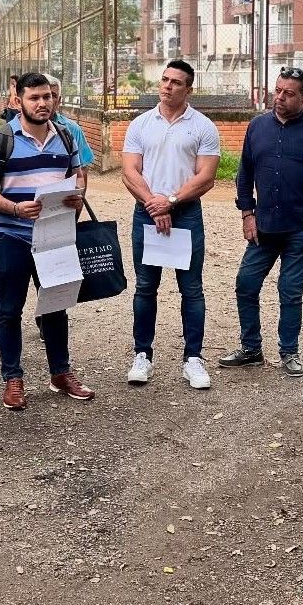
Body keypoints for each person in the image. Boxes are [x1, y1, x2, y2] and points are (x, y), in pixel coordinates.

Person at [0, 72, 93, 411]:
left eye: (47, 97)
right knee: (9, 309)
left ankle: (60, 373)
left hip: (54, 236)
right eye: (34, 98)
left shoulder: (66, 137)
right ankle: (13, 379)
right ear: (19, 100)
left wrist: (78, 196)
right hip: (10, 234)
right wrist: (14, 207)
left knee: (55, 305)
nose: (42, 103)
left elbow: (78, 176)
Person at [219, 66, 303, 379]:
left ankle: (289, 351)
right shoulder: (258, 125)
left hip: (301, 227)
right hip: (263, 225)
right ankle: (251, 348)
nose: (281, 98)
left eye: (289, 94)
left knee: (290, 290)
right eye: (278, 91)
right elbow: (245, 173)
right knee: (246, 284)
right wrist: (247, 212)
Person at [121, 59, 221, 390]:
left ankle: (193, 359)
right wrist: (154, 203)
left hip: (185, 214)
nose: (167, 86)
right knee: (145, 287)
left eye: (176, 82)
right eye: (164, 80)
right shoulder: (140, 124)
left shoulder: (203, 126)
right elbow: (130, 171)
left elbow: (206, 176)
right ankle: (142, 356)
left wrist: (172, 201)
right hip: (147, 212)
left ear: (188, 89)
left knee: (191, 289)